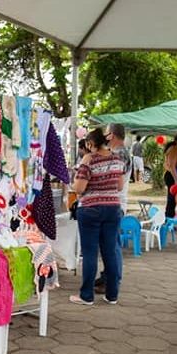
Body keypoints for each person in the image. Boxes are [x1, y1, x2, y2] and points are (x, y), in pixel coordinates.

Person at [69, 127, 125, 306]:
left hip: (91, 209)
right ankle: (112, 295)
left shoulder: (89, 159)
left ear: (91, 143)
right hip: (113, 208)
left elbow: (79, 188)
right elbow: (119, 186)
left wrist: (73, 182)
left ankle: (86, 296)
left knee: (90, 252)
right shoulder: (117, 158)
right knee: (110, 252)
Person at [108, 123, 131, 213]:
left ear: (111, 135)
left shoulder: (120, 154)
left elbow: (117, 184)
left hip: (114, 205)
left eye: (106, 133)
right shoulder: (117, 152)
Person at [162, 134, 177, 218]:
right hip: (173, 177)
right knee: (172, 200)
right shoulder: (173, 149)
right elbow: (172, 166)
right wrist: (176, 180)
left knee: (175, 200)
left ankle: (172, 217)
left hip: (175, 177)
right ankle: (169, 218)